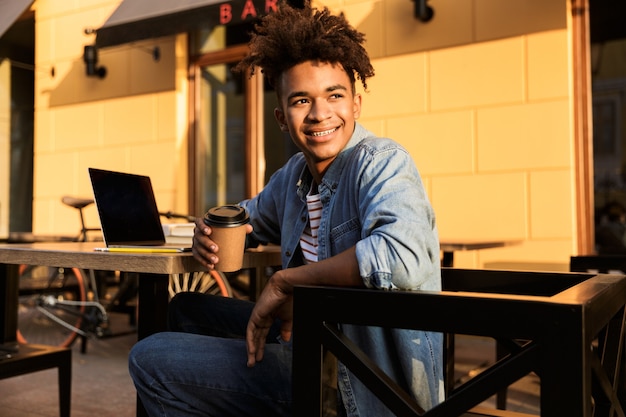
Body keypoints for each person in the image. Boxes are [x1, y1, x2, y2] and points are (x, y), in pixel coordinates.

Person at [128, 2, 444, 416]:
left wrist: (286, 284)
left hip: (358, 380)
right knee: (185, 309)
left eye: (334, 95)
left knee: (151, 358)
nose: (319, 114)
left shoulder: (382, 162)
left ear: (356, 104)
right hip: (312, 339)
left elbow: (400, 257)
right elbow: (248, 216)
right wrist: (209, 226)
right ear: (281, 117)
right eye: (301, 101)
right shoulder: (294, 176)